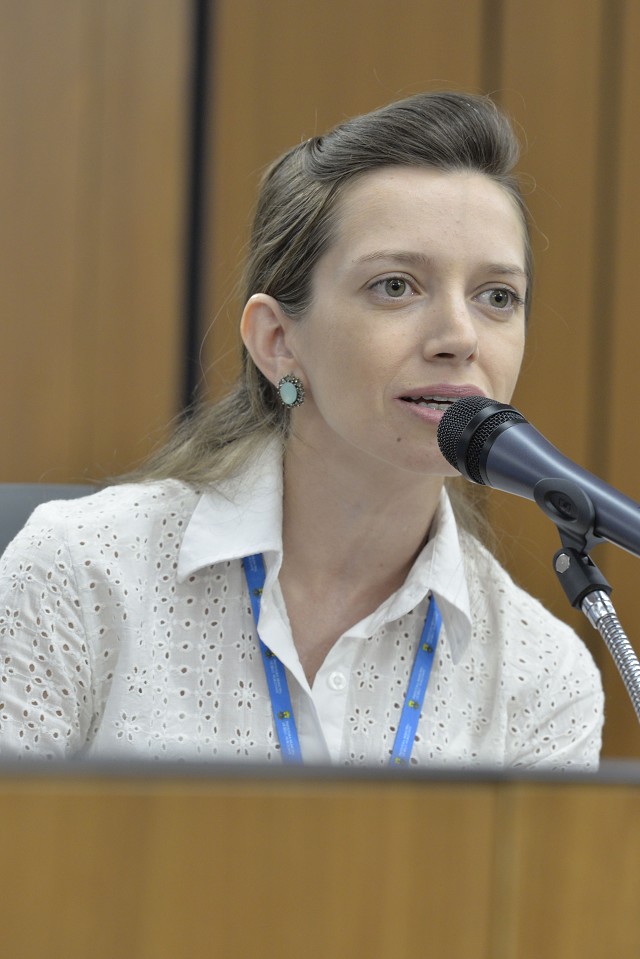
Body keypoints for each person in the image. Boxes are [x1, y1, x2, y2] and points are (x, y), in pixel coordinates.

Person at [0, 91, 603, 766]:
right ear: (278, 340)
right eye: (396, 285)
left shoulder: (543, 676)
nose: (460, 337)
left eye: (497, 297)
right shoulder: (81, 572)